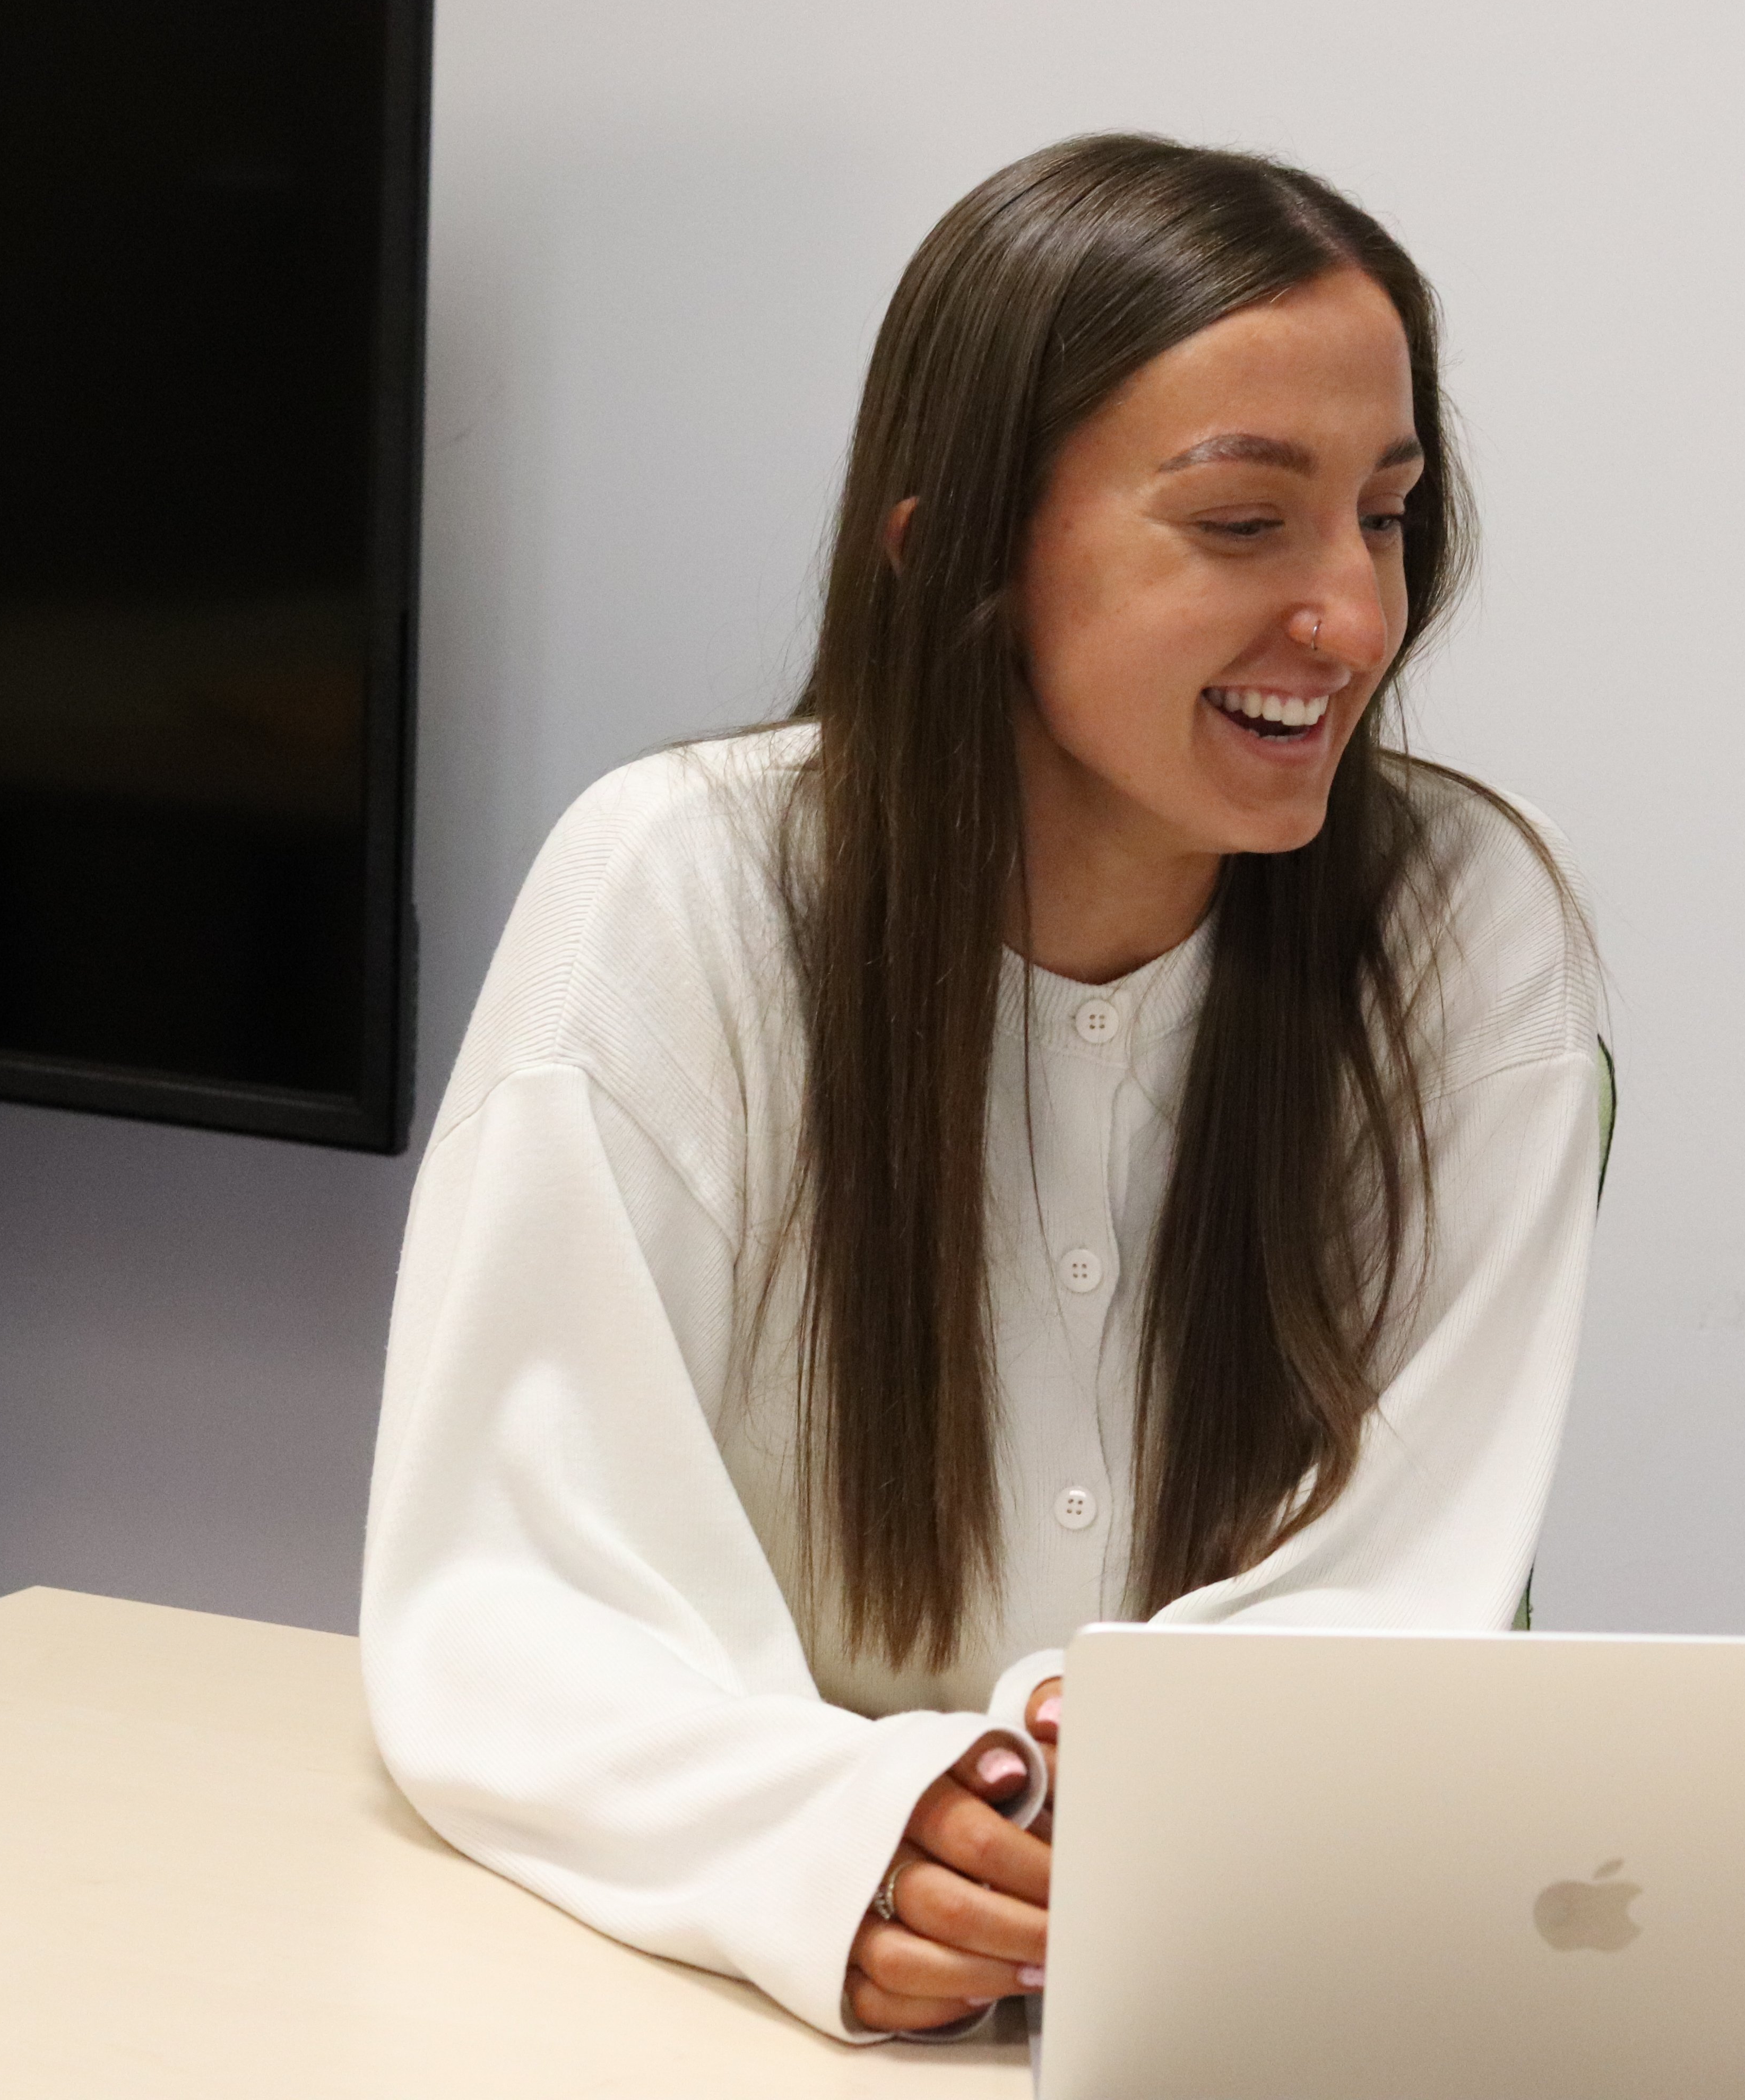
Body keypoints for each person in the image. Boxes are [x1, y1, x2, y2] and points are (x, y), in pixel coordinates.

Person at [360, 132, 1609, 2042]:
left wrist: (1116, 1801)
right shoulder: (674, 889)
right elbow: (514, 1589)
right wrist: (829, 1838)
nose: (1355, 618)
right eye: (1245, 520)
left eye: (1385, 512)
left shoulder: (1464, 925)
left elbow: (1408, 1568)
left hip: (1254, 2002)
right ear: (952, 549)